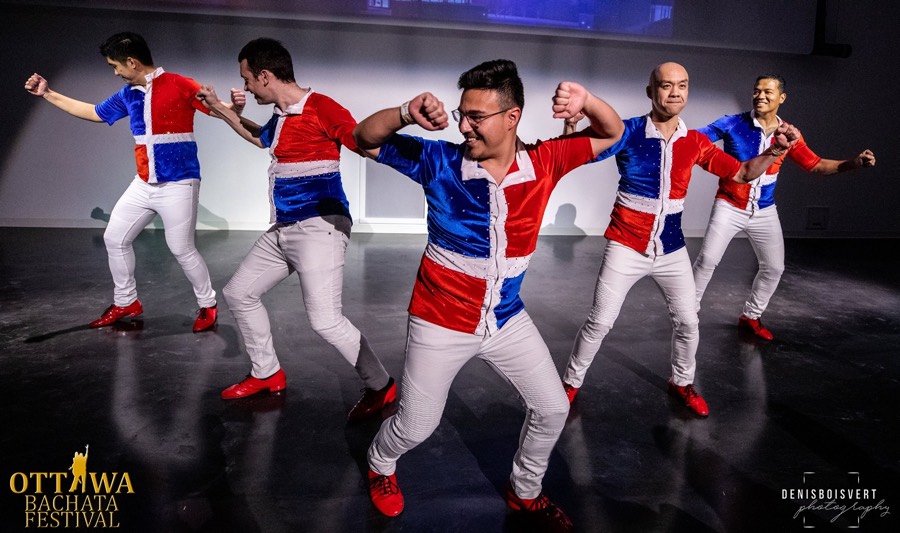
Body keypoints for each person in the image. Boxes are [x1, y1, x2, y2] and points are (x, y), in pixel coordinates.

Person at [352, 58, 624, 530]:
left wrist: (588, 101)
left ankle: (526, 491)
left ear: (512, 117)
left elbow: (611, 133)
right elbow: (363, 139)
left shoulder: (546, 160)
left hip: (505, 318)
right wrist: (403, 111)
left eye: (476, 117)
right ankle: (380, 463)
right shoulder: (438, 162)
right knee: (416, 425)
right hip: (440, 319)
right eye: (462, 114)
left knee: (553, 407)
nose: (463, 125)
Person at [560, 62, 800, 416]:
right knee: (600, 321)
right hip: (626, 245)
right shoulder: (627, 132)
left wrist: (776, 151)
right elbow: (569, 156)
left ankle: (682, 383)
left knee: (688, 322)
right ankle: (569, 384)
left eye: (682, 85)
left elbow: (744, 172)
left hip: (671, 250)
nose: (675, 92)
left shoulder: (697, 142)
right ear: (650, 91)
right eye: (666, 85)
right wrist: (570, 126)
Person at [195, 38, 395, 423]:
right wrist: (220, 109)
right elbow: (260, 138)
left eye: (248, 79)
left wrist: (404, 120)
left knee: (325, 321)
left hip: (320, 226)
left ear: (265, 75)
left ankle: (381, 384)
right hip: (285, 226)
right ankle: (266, 373)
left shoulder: (322, 107)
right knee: (239, 293)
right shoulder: (284, 116)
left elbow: (361, 141)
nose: (247, 87)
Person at [24, 32, 219, 332]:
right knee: (115, 239)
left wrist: (234, 107)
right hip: (143, 183)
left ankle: (208, 305)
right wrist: (48, 93)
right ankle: (127, 301)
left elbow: (218, 111)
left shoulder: (181, 84)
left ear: (132, 62)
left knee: (181, 248)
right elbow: (92, 112)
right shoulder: (128, 94)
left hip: (179, 183)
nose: (115, 72)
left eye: (116, 66)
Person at [692, 74, 876, 340]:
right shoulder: (732, 123)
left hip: (764, 209)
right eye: (756, 91)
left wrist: (854, 163)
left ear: (781, 98)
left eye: (768, 92)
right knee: (707, 260)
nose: (760, 96)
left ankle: (751, 316)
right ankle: (687, 313)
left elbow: (817, 165)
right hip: (729, 205)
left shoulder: (790, 134)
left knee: (774, 268)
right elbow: (696, 139)